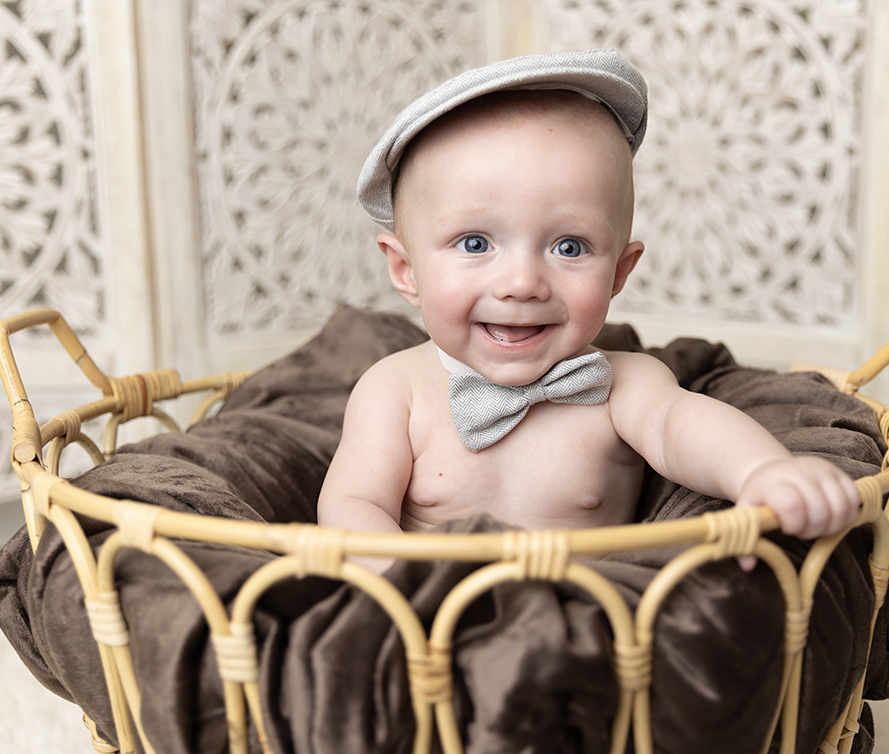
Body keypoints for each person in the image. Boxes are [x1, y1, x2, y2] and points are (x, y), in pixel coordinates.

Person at [318, 50, 859, 567]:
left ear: (619, 272)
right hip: (429, 632)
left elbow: (680, 428)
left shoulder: (622, 384)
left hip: (598, 633)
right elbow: (351, 508)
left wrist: (762, 473)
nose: (522, 283)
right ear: (406, 271)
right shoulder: (395, 390)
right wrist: (408, 584)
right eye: (475, 244)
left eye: (569, 248)